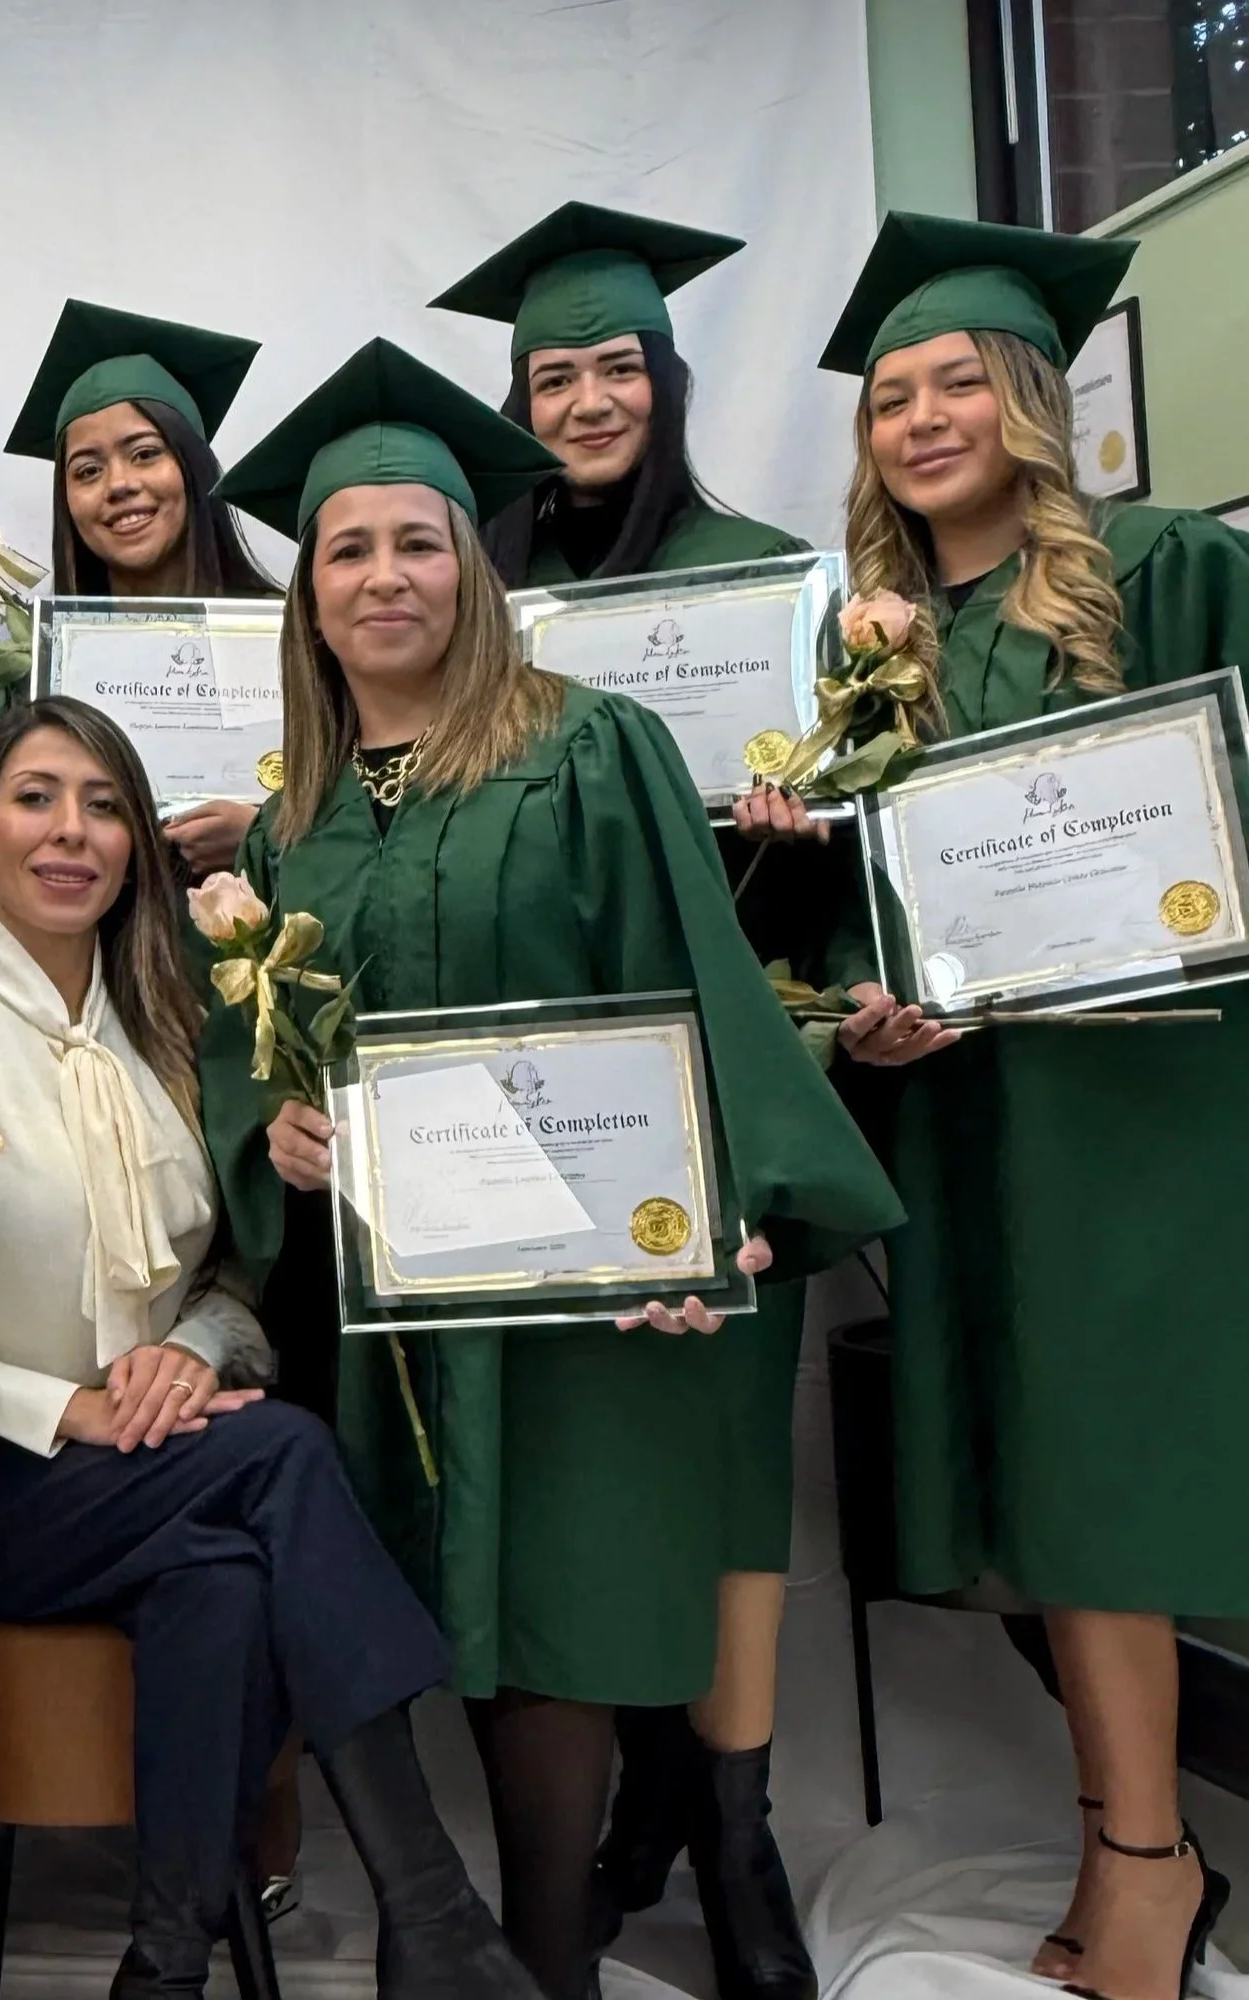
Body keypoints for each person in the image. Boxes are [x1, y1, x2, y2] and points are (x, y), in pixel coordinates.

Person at [198, 337, 903, 2000]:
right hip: (413, 1282)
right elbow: (273, 1053)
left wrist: (725, 1206)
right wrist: (276, 1129)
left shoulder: (592, 746)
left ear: (475, 566)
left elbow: (699, 984)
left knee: (567, 1604)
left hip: (586, 1271)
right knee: (477, 1611)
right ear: (309, 595)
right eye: (349, 549)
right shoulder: (296, 821)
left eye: (419, 540)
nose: (385, 576)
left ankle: (553, 1955)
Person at [0, 694, 542, 2000]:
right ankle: (438, 1921)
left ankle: (170, 1960)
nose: (71, 831)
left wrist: (193, 1349)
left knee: (223, 1576)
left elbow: (229, 1271)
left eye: (104, 804)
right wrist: (58, 1409)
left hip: (161, 1469)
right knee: (287, 1456)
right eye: (35, 797)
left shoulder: (174, 1034)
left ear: (139, 842)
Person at [801, 210, 1247, 2000]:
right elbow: (870, 894)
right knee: (1050, 1484)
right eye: (890, 396)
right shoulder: (881, 642)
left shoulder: (1159, 564)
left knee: (1123, 1478)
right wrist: (867, 1008)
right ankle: (1131, 1845)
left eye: (955, 382)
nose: (918, 419)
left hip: (1155, 1103)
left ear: (1031, 401)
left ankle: (1148, 1868)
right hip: (987, 1114)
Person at [439, 203, 829, 2000]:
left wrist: (794, 836)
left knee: (725, 1459)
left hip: (724, 1074)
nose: (584, 398)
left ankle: (727, 1829)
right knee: (589, 1475)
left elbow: (865, 875)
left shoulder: (770, 576)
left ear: (663, 383)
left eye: (614, 367)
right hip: (518, 1118)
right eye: (551, 374)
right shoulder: (468, 594)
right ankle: (625, 1820)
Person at [4, 299, 281, 875]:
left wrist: (265, 837)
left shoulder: (292, 635)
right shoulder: (41, 672)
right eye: (87, 470)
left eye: (145, 454)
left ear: (192, 466)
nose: (120, 485)